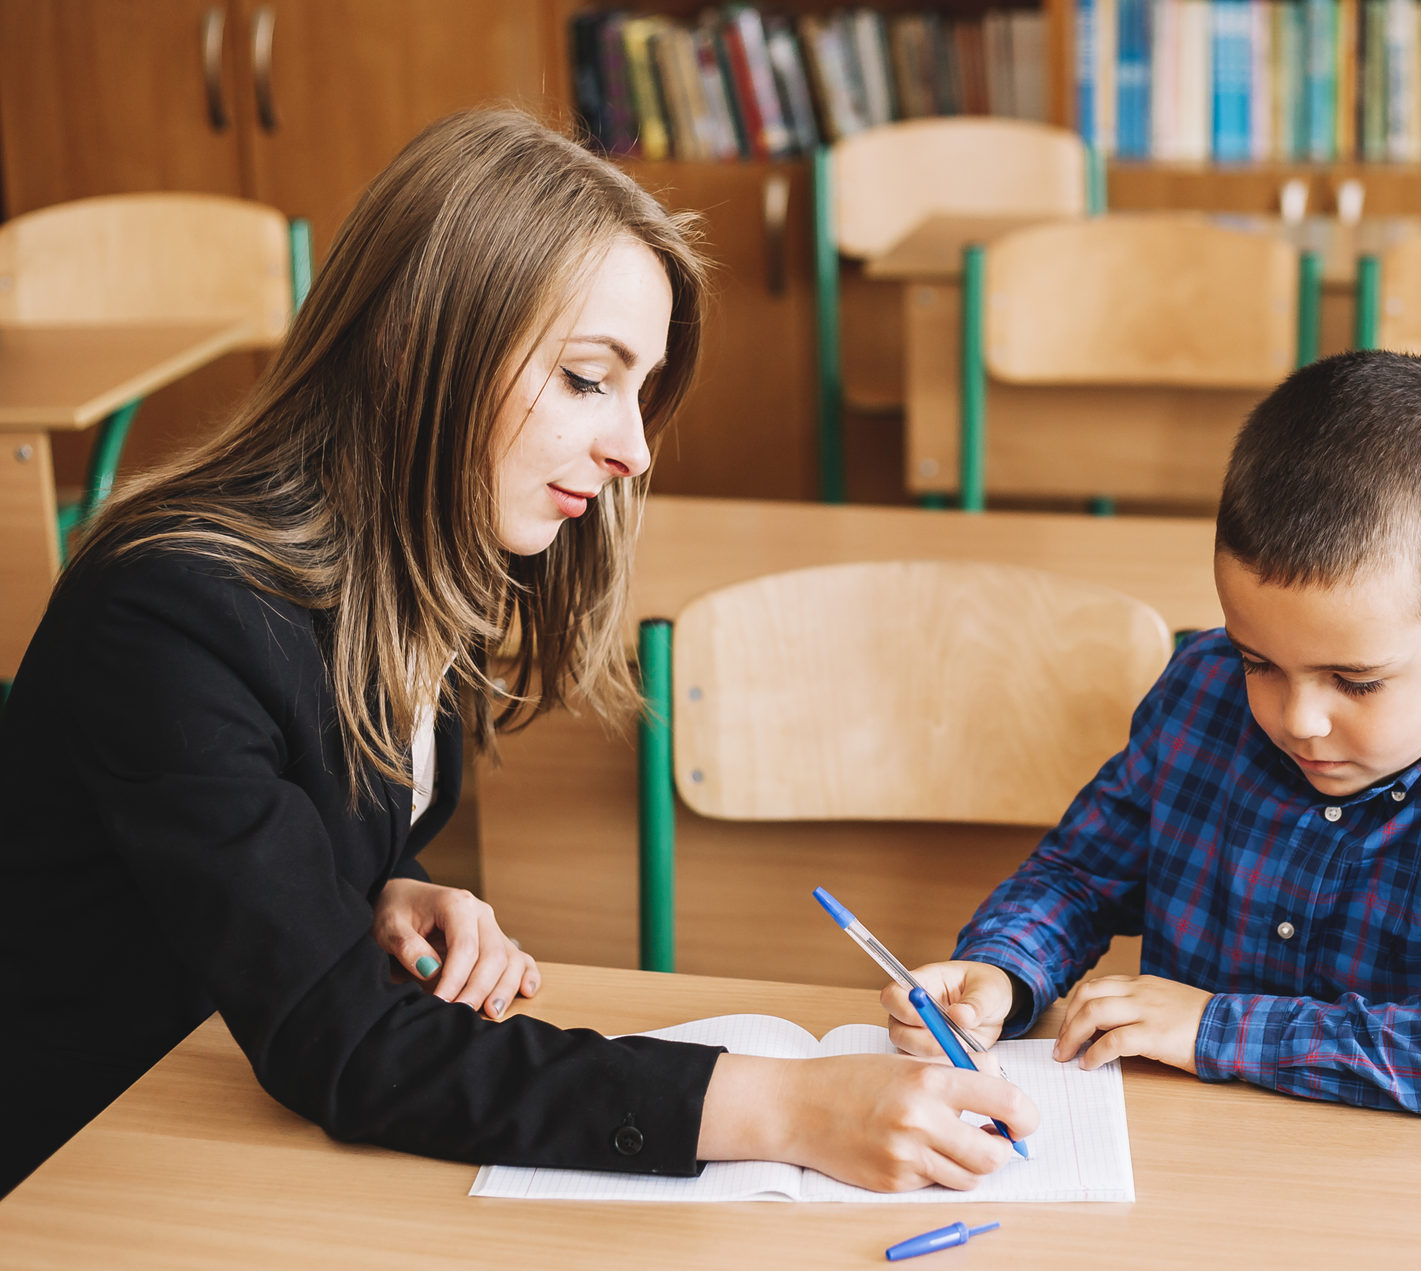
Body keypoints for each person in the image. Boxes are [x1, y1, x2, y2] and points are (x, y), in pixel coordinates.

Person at [0, 107, 1034, 1197]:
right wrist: (788, 1103)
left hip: (206, 1121)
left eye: (642, 391)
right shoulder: (167, 613)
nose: (633, 447)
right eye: (591, 378)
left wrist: (376, 885)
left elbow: (252, 835)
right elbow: (341, 1041)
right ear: (415, 344)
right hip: (67, 1169)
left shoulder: (427, 551)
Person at [885, 350, 1421, 1124]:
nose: (1297, 719)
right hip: (1190, 1158)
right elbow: (1079, 875)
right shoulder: (1201, 690)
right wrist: (1003, 971)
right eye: (1260, 660)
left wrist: (1221, 1028)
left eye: (1356, 680)